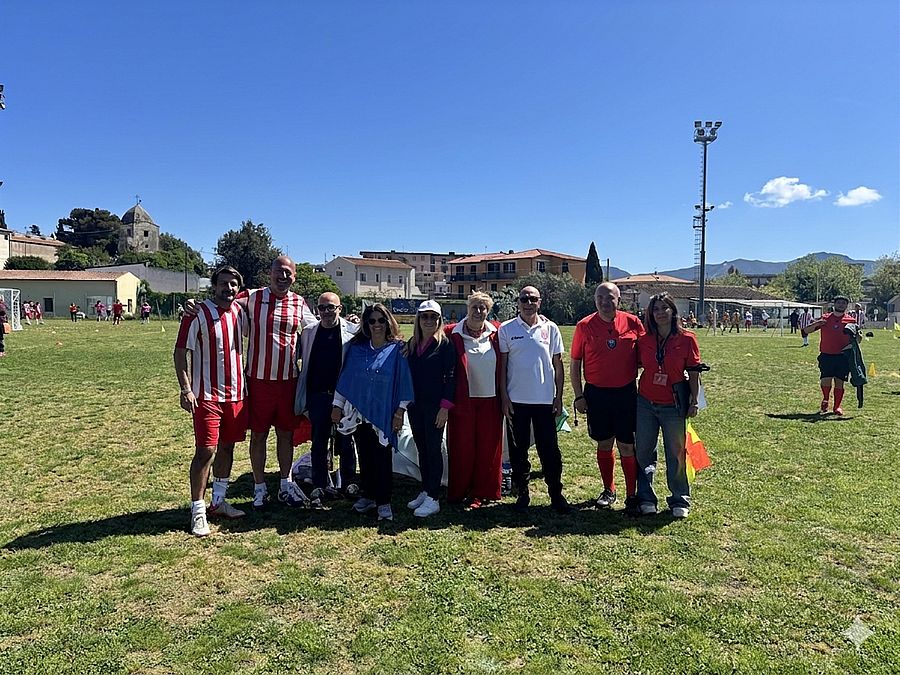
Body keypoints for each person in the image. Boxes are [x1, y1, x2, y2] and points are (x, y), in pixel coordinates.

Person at [174, 266, 248, 537]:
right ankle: (198, 510)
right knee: (206, 451)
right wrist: (186, 389)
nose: (228, 289)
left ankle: (218, 501)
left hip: (237, 395)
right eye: (224, 284)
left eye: (233, 285)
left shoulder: (241, 311)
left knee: (228, 448)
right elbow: (180, 352)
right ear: (214, 286)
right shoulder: (197, 313)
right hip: (206, 396)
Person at [330, 303, 413, 522]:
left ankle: (384, 501)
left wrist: (399, 412)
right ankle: (368, 496)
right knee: (364, 456)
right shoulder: (357, 349)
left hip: (383, 413)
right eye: (372, 321)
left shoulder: (397, 350)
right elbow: (346, 379)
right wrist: (337, 406)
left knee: (382, 458)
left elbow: (404, 383)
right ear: (366, 324)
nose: (377, 325)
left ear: (388, 322)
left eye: (381, 320)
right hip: (359, 414)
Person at [571, 282, 646, 514]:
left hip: (626, 394)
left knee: (627, 445)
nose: (605, 301)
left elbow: (648, 355)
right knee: (604, 443)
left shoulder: (633, 322)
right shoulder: (584, 326)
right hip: (596, 394)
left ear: (619, 300)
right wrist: (579, 396)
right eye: (600, 297)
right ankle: (608, 489)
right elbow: (575, 365)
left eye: (610, 297)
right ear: (595, 300)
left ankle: (631, 495)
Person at [499, 286, 571, 514]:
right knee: (519, 451)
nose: (528, 302)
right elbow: (502, 368)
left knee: (549, 450)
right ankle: (523, 493)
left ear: (540, 302)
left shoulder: (550, 329)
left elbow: (558, 366)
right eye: (524, 299)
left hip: (545, 402)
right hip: (517, 402)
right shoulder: (507, 329)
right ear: (518, 302)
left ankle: (556, 493)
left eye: (533, 299)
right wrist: (504, 397)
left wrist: (558, 397)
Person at [634, 292, 702, 519]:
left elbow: (693, 373)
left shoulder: (687, 339)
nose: (660, 313)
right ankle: (646, 498)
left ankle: (679, 499)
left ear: (673, 311)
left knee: (676, 454)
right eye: (655, 309)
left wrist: (694, 401)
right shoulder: (643, 340)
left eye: (665, 308)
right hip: (645, 402)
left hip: (674, 404)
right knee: (644, 452)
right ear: (650, 314)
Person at [294, 292, 359, 502]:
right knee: (319, 441)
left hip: (345, 396)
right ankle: (319, 484)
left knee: (347, 440)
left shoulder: (352, 332)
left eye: (331, 307)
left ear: (340, 309)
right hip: (318, 395)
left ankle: (349, 482)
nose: (326, 312)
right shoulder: (309, 332)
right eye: (322, 308)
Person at [445, 292, 503, 508]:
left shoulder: (497, 332)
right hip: (462, 401)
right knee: (462, 447)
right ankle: (459, 490)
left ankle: (481, 493)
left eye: (483, 308)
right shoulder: (452, 333)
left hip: (491, 400)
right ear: (467, 308)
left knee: (488, 448)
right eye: (475, 307)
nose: (478, 312)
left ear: (488, 311)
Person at [405, 300, 456, 518]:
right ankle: (426, 489)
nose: (428, 321)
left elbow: (452, 378)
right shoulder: (412, 344)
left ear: (439, 319)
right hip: (416, 406)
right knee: (422, 448)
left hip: (436, 407)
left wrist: (445, 408)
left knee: (434, 450)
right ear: (418, 319)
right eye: (424, 317)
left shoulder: (445, 345)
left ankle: (434, 497)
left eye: (433, 317)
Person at [801, 295, 859, 415]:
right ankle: (825, 399)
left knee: (839, 381)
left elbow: (857, 340)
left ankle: (837, 407)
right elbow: (806, 331)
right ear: (834, 304)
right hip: (827, 354)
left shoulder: (851, 320)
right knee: (825, 380)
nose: (841, 305)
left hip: (843, 356)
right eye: (839, 303)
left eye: (843, 303)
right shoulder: (825, 318)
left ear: (846, 306)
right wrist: (818, 323)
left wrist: (858, 335)